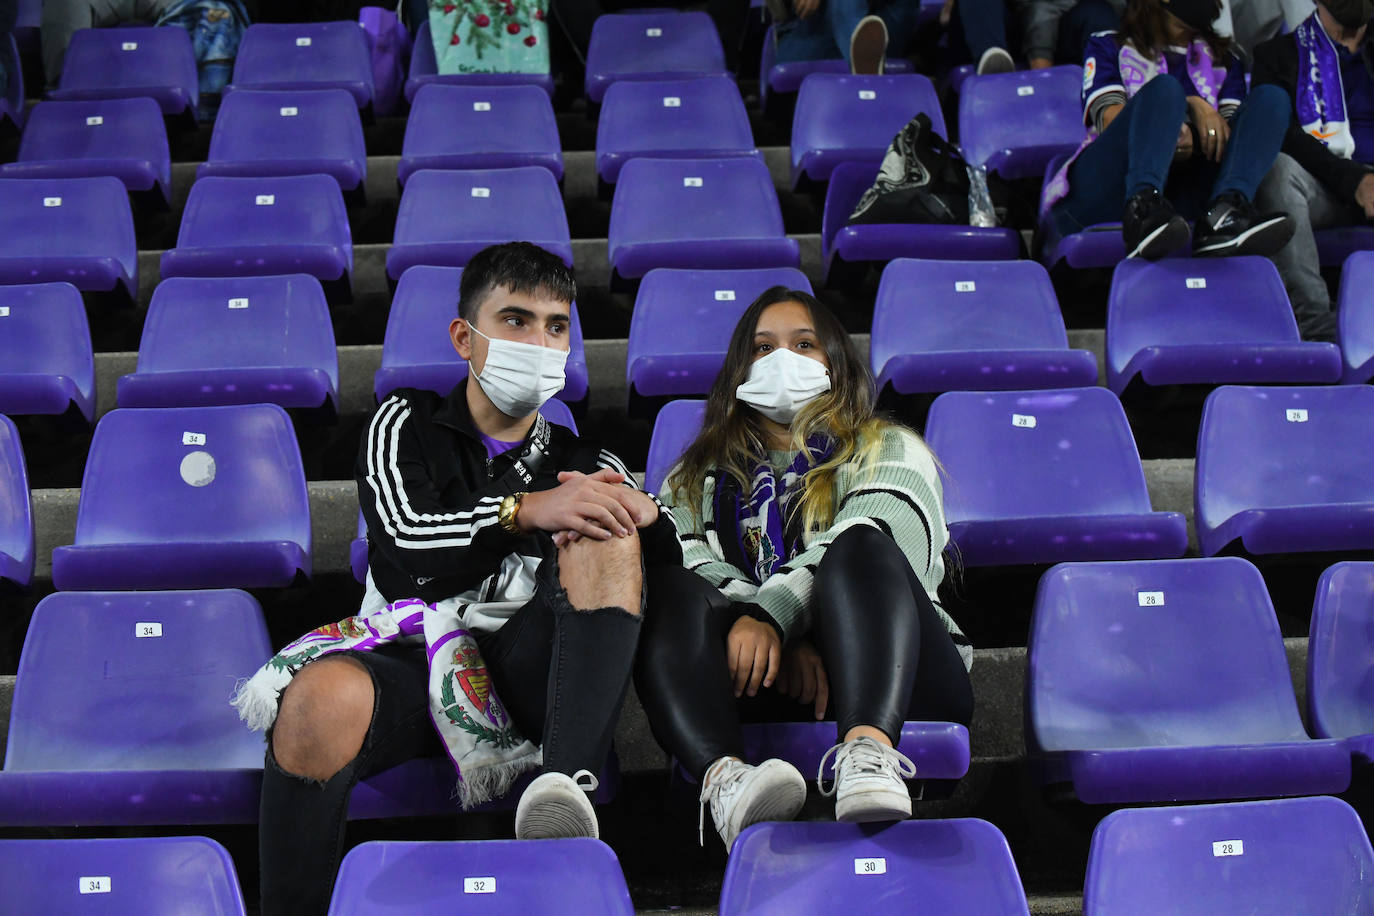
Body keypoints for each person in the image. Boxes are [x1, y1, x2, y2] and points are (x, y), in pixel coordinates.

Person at [233, 242, 675, 916]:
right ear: (465, 338)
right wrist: (523, 510)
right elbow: (408, 546)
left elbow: (662, 573)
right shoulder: (403, 422)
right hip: (414, 656)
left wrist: (653, 520)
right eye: (516, 320)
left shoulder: (587, 458)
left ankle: (564, 787)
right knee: (316, 700)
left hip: (538, 667)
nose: (539, 342)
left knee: (607, 529)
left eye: (556, 326)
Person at [635, 287, 973, 852]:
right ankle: (726, 782)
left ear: (835, 362)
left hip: (902, 672)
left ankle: (870, 752)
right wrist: (761, 629)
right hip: (758, 676)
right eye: (763, 348)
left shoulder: (889, 447)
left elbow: (884, 531)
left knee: (860, 542)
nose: (783, 360)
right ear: (740, 369)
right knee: (665, 580)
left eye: (804, 344)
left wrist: (774, 617)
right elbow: (690, 563)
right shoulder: (691, 478)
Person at [1042, 0, 1296, 259]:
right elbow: (1109, 121)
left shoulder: (1226, 60)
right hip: (1112, 183)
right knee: (1166, 89)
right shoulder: (1108, 44)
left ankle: (1226, 212)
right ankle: (1142, 208)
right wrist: (1190, 105)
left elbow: (1228, 143)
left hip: (1187, 186)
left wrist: (1191, 136)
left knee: (1272, 98)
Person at [1251, 0, 1372, 342]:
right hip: (1322, 187)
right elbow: (1283, 136)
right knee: (1278, 169)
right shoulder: (1276, 56)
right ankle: (1315, 323)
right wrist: (1355, 180)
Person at [767, 0, 920, 74]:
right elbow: (781, 12)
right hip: (819, 30)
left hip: (885, 22)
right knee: (785, 63)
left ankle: (866, 75)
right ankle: (864, 65)